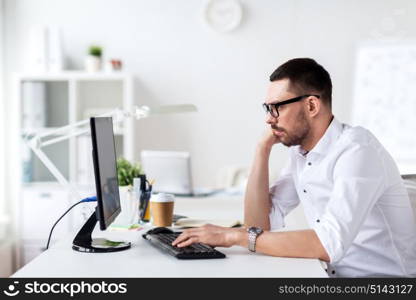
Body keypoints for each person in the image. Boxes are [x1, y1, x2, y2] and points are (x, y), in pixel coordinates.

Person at [172, 58, 416, 277]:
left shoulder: (357, 151)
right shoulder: (301, 154)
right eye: (267, 108)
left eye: (277, 106)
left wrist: (231, 236)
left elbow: (327, 244)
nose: (269, 118)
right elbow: (258, 225)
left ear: (311, 106)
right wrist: (262, 149)